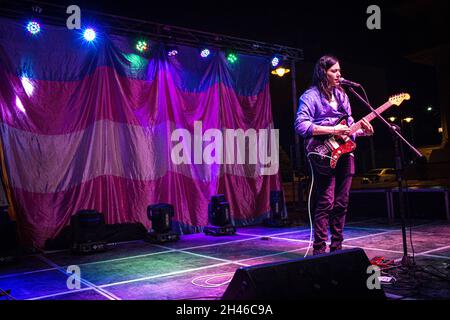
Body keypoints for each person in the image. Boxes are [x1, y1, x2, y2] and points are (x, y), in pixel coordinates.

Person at [295, 55, 374, 255]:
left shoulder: (343, 96)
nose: (339, 74)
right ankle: (319, 251)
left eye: (339, 70)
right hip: (322, 153)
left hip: (346, 153)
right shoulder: (310, 96)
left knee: (342, 202)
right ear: (323, 72)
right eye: (334, 71)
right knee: (326, 202)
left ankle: (337, 248)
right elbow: (301, 125)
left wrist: (362, 132)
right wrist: (332, 130)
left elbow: (349, 128)